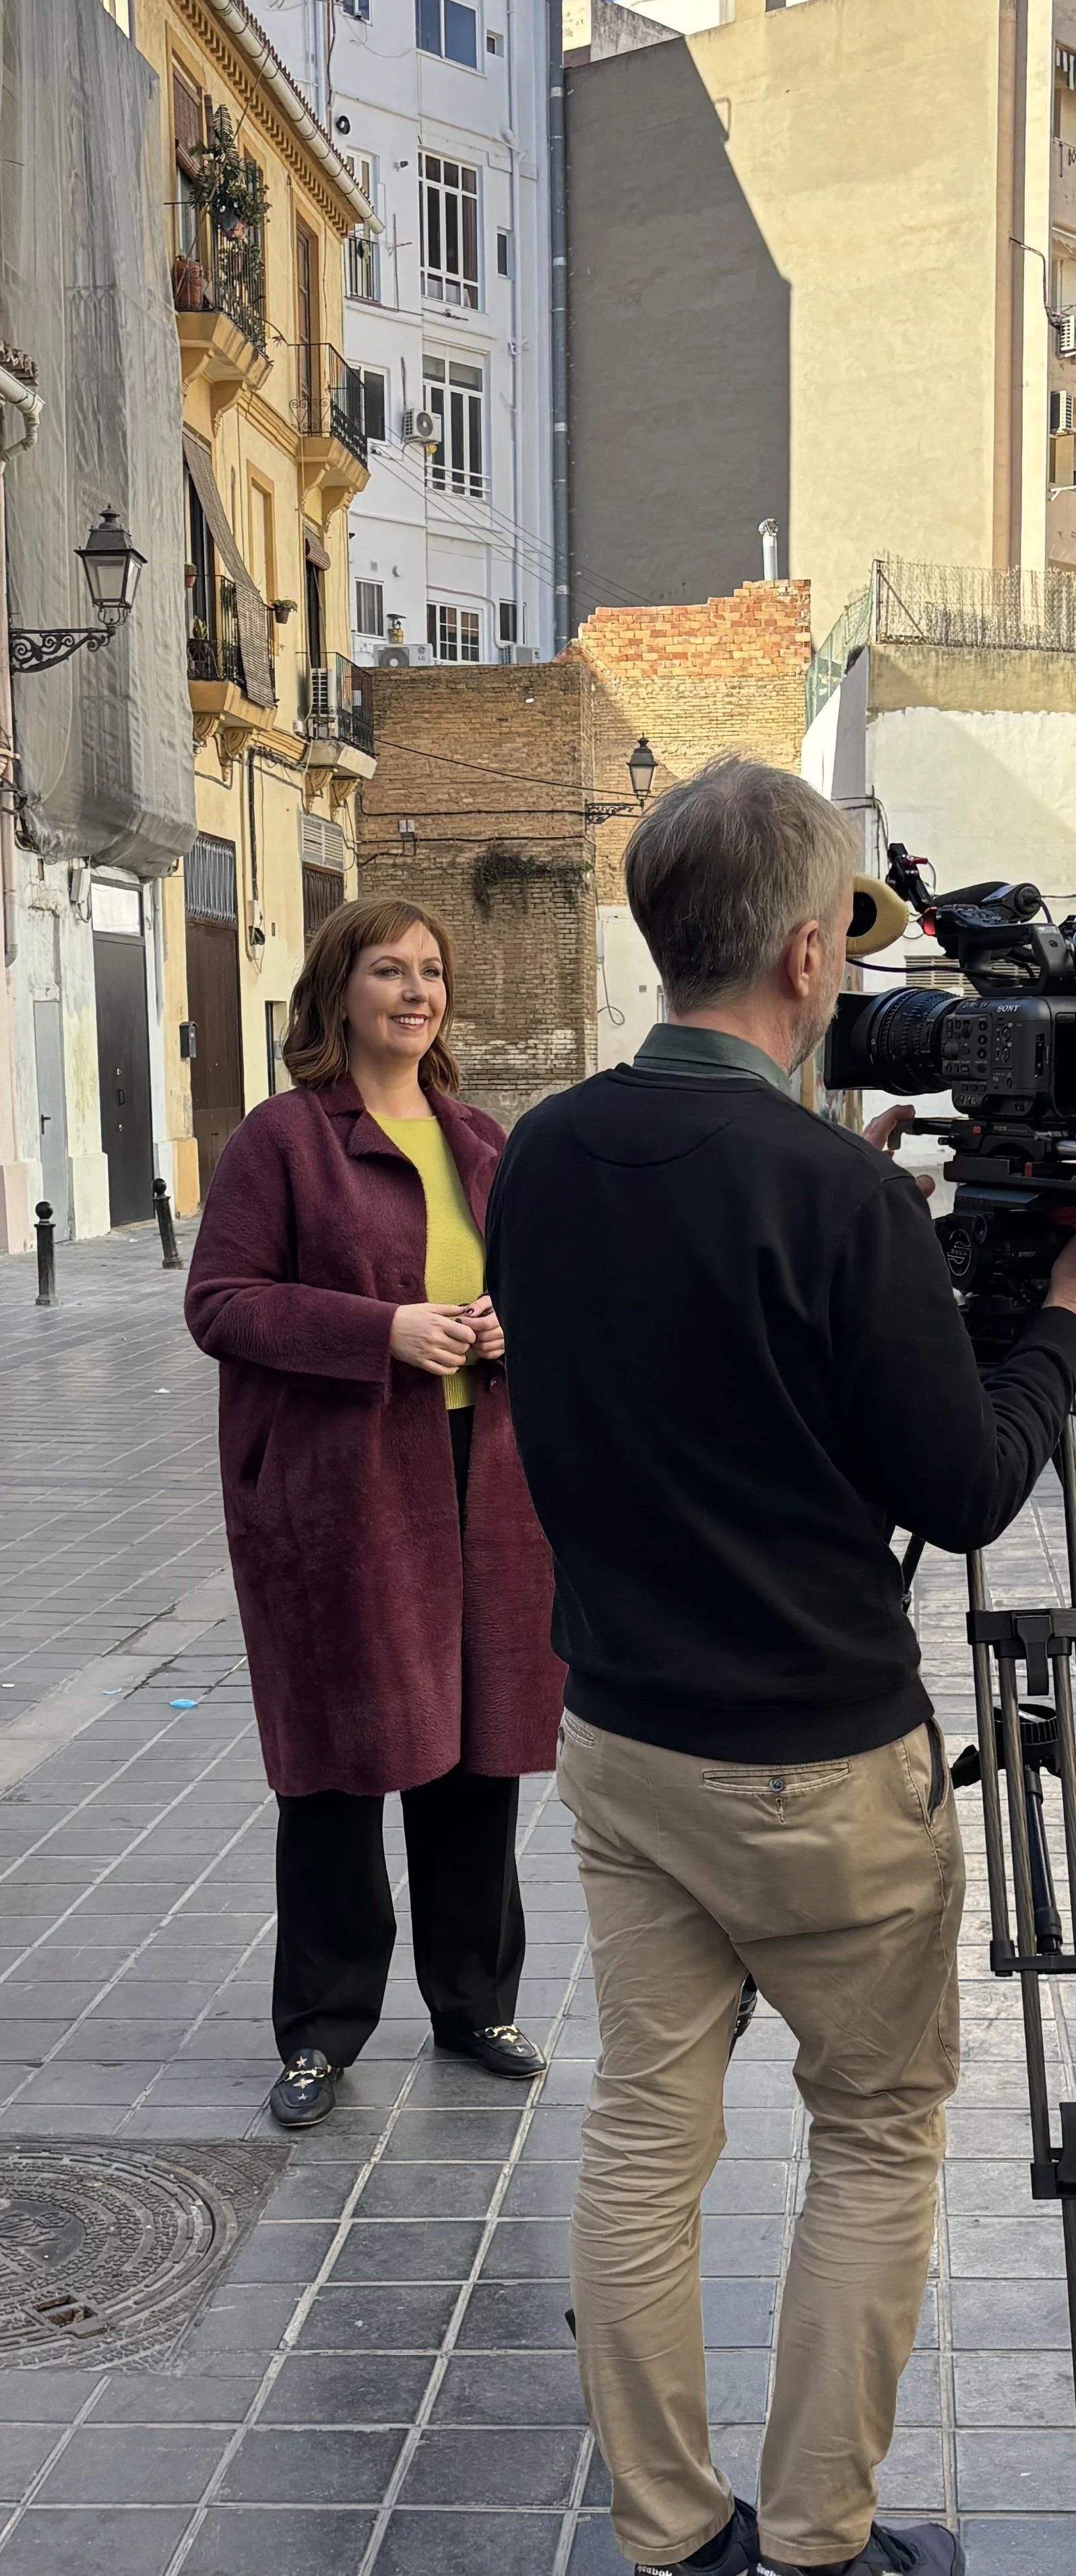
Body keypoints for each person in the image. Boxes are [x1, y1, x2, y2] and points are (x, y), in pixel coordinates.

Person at [485, 762, 1076, 2576]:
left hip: (621, 1736)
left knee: (646, 2130)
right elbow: (964, 1486)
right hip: (814, 1766)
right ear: (803, 952)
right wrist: (1065, 1315)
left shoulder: (542, 1147)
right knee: (870, 2132)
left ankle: (669, 2532)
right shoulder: (831, 1190)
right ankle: (818, 2544)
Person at [185, 896, 562, 2128]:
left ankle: (475, 2004)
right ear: (338, 993)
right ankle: (321, 2028)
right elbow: (221, 1302)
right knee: (343, 1760)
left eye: (431, 972)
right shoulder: (283, 1140)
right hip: (344, 1489)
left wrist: (506, 1326)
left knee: (475, 1750)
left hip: (480, 1477)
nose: (417, 992)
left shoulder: (478, 1138)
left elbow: (528, 1289)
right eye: (390, 970)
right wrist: (379, 1330)